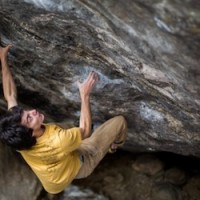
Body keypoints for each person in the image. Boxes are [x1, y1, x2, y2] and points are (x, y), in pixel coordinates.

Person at [0, 44, 127, 194]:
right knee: (120, 122)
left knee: (66, 127)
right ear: (30, 133)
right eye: (29, 119)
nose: (33, 111)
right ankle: (114, 145)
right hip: (81, 163)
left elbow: (10, 96)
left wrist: (3, 58)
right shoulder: (57, 141)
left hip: (52, 183)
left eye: (26, 112)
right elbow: (85, 131)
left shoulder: (17, 138)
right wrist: (84, 95)